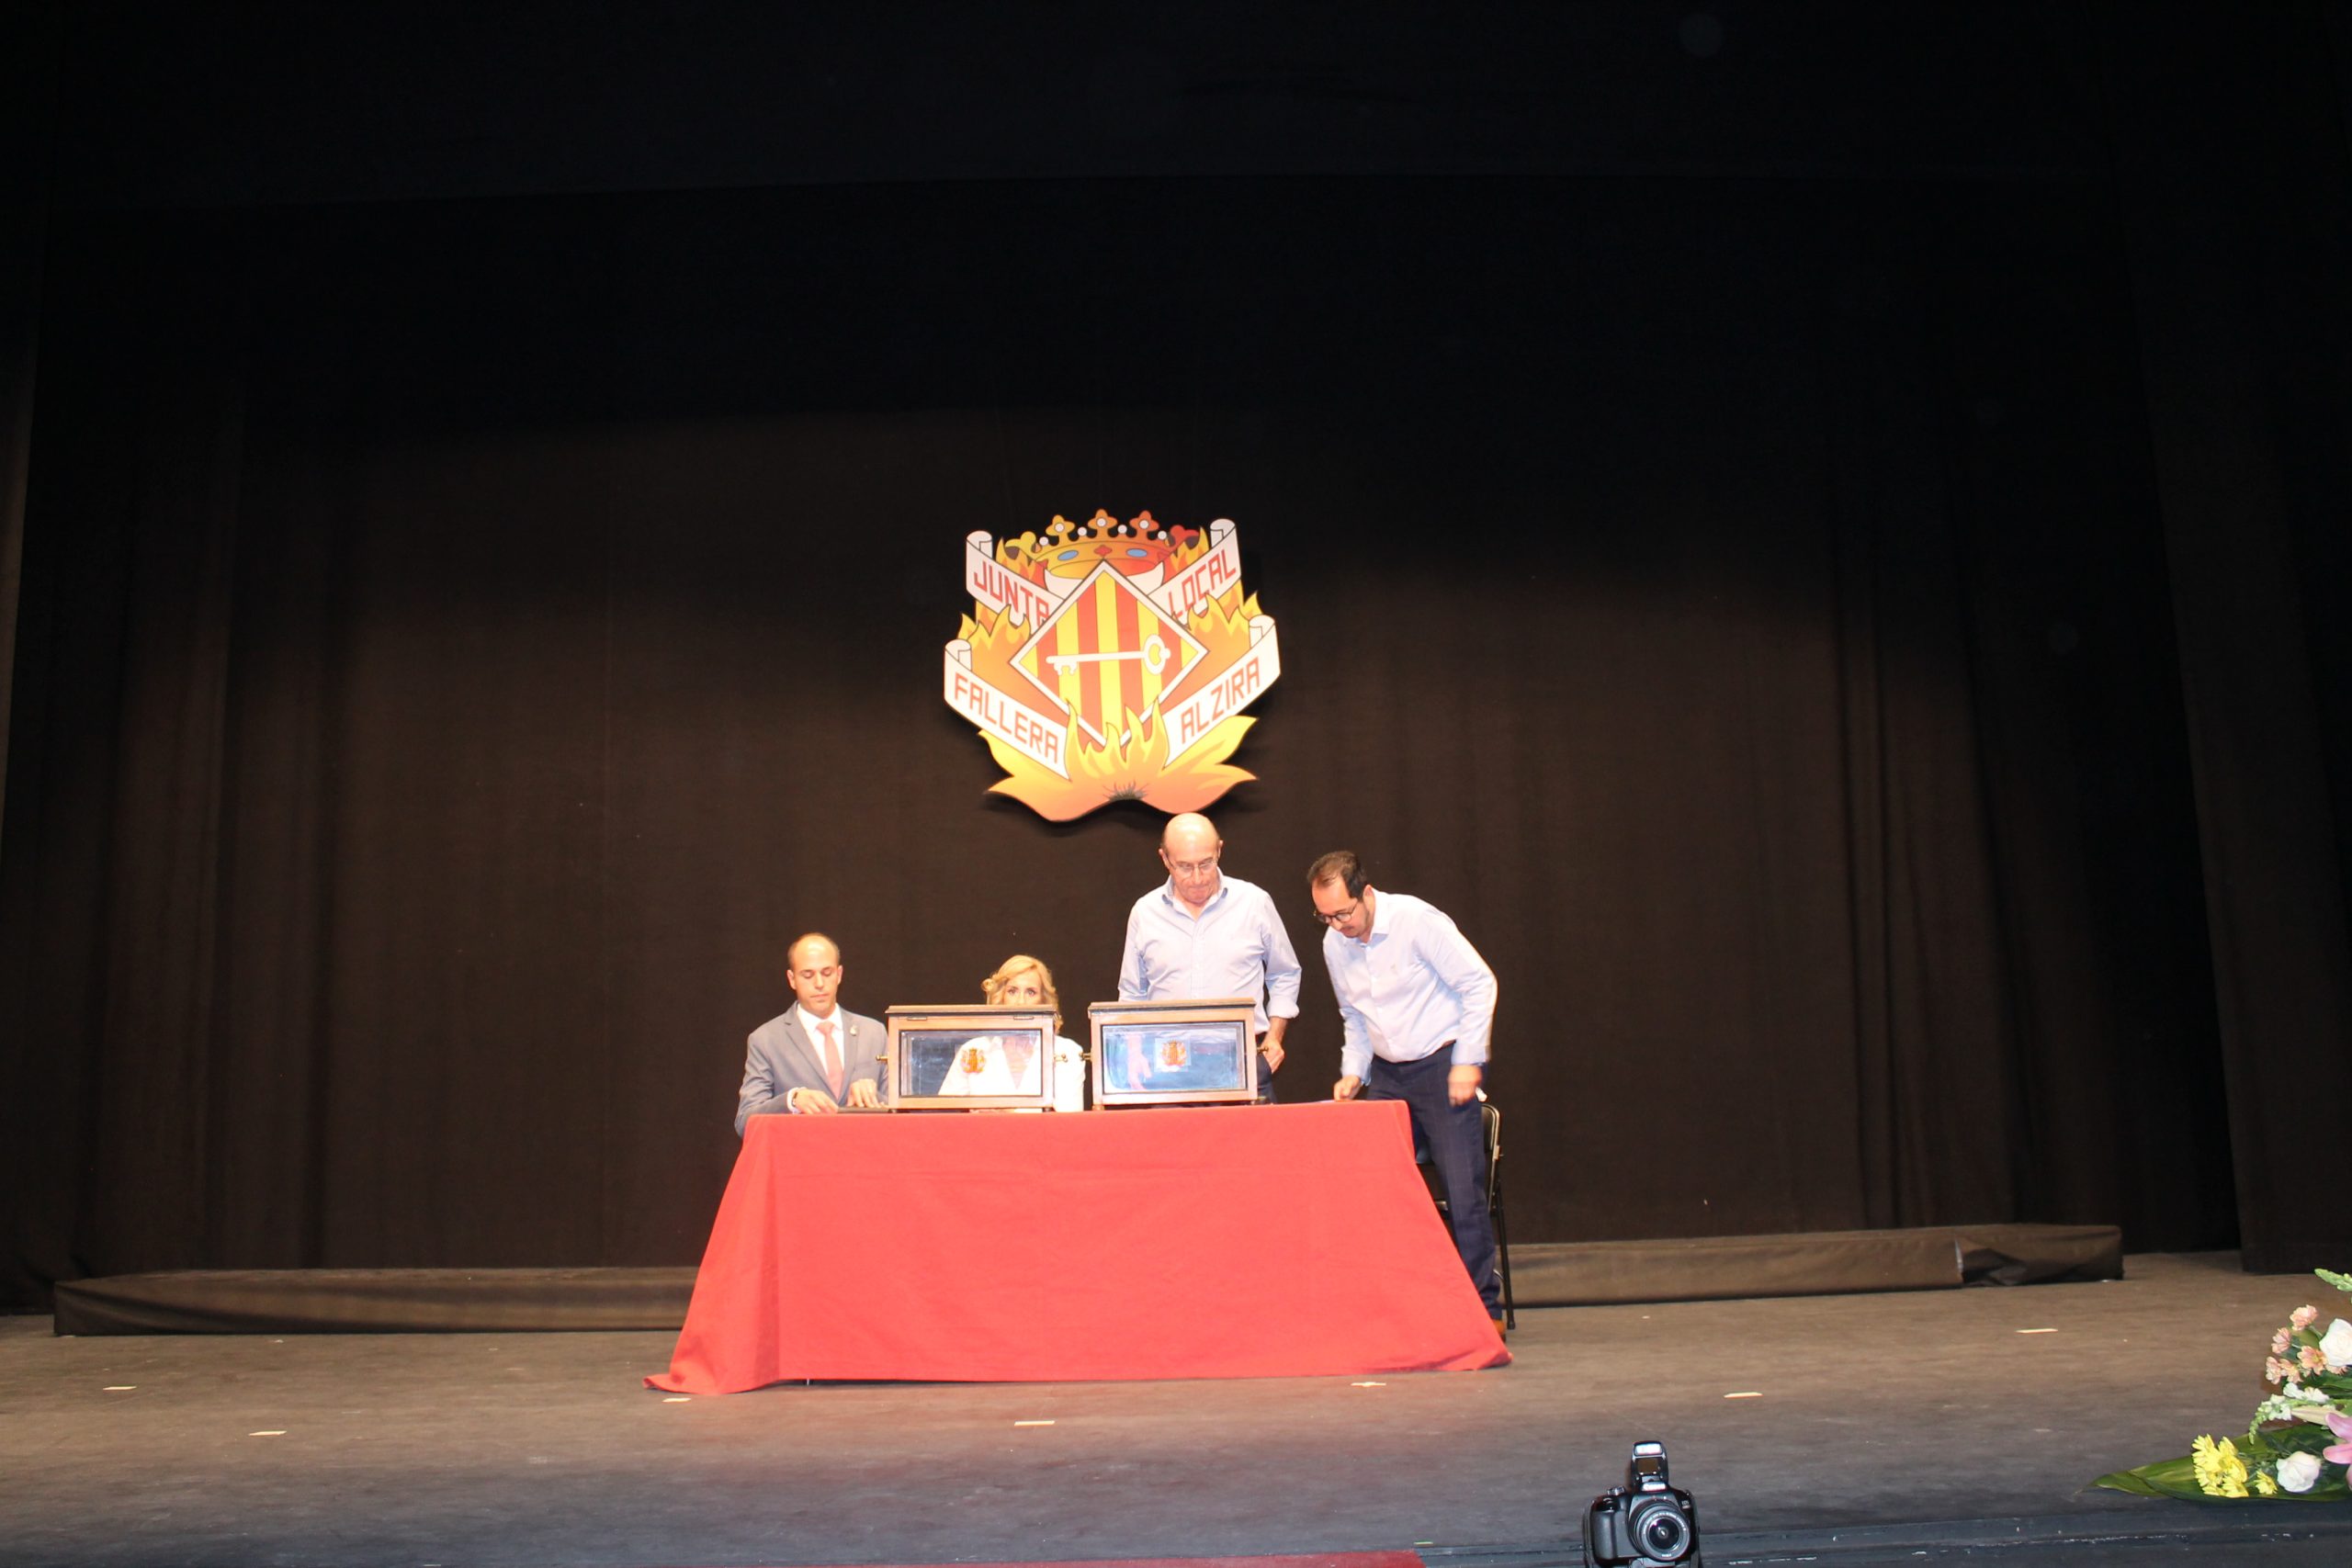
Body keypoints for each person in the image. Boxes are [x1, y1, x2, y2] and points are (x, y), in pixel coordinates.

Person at [1308, 850, 1504, 1330]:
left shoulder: (1417, 921)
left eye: (1343, 913)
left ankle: (1483, 1310)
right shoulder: (1335, 944)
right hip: (1387, 1075)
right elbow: (1353, 1016)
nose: (1337, 925)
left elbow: (1479, 984)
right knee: (1375, 1190)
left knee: (1462, 1191)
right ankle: (1398, 1308)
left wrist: (1468, 1060)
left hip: (1441, 1066)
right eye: (1325, 917)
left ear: (1366, 893)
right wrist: (1353, 1071)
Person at [1118, 811, 1301, 1100]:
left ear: (1219, 851)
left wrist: (1274, 1037)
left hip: (1242, 1058)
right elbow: (1132, 993)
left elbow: (1285, 973)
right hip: (1167, 1064)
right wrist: (1134, 1052)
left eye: (1206, 863)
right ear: (1164, 859)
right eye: (1184, 867)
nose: (1198, 878)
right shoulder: (1145, 912)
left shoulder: (1254, 903)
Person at [735, 932, 887, 1133]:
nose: (819, 983)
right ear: (792, 979)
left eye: (827, 973)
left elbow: (907, 1113)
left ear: (839, 974)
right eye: (808, 975)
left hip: (864, 1149)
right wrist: (791, 1101)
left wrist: (873, 1096)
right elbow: (745, 1121)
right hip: (799, 1151)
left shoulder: (874, 1032)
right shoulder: (765, 1040)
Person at [935, 953, 1086, 1112]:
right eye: (1012, 991)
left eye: (1031, 992)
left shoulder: (1067, 1052)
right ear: (1001, 997)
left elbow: (1069, 1119)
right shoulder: (973, 1050)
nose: (1021, 1002)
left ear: (1044, 1000)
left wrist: (1005, 1113)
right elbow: (944, 1114)